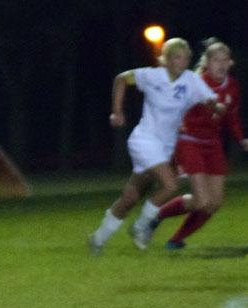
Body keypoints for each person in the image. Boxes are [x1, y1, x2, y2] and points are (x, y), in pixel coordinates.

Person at [88, 38, 221, 256]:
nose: (182, 61)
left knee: (130, 198)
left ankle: (98, 238)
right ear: (166, 60)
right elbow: (121, 79)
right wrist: (117, 111)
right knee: (170, 185)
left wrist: (218, 106)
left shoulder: (190, 80)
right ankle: (141, 227)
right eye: (177, 56)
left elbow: (210, 98)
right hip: (143, 141)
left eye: (186, 57)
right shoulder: (152, 75)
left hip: (164, 148)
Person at [149, 39, 248, 250]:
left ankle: (175, 240)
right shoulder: (195, 83)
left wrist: (242, 139)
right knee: (202, 201)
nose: (220, 64)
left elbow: (232, 117)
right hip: (190, 142)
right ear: (207, 63)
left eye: (224, 60)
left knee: (214, 203)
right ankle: (156, 216)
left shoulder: (232, 86)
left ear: (230, 63)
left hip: (212, 144)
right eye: (215, 60)